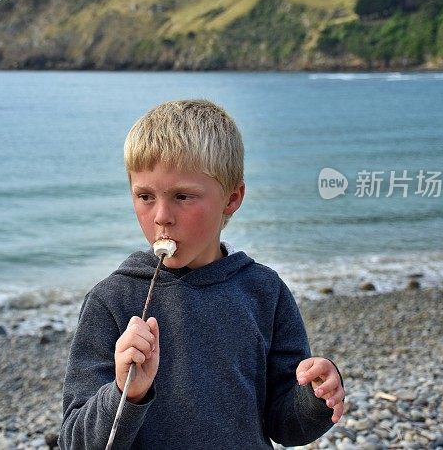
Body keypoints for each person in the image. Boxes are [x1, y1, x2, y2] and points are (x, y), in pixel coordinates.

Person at [59, 100, 345, 449]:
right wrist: (124, 392)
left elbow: (284, 425)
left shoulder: (265, 293)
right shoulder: (112, 301)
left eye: (183, 196)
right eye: (145, 196)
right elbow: (75, 440)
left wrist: (315, 397)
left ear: (232, 198)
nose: (161, 216)